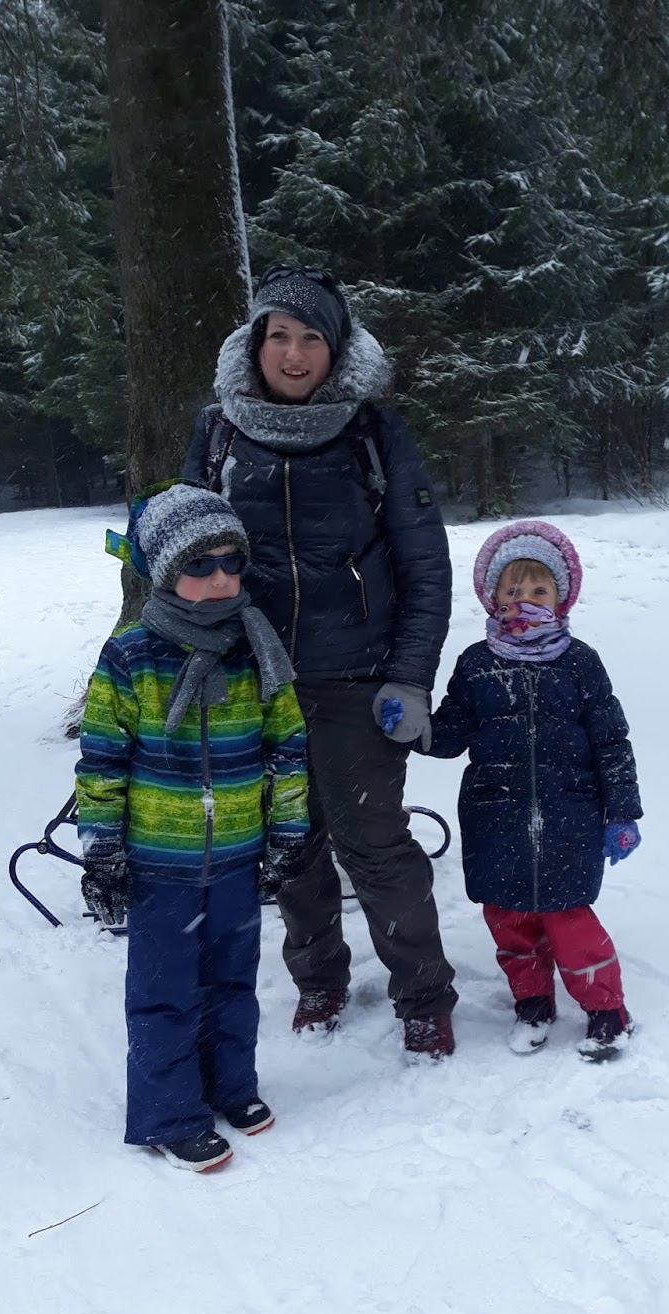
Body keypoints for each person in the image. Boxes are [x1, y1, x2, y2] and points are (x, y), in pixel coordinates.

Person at [183, 265, 457, 1060]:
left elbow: (424, 567)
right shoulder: (219, 432)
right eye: (280, 336)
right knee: (291, 846)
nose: (294, 354)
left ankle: (423, 995)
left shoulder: (372, 433)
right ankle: (317, 978)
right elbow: (182, 553)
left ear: (336, 351)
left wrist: (411, 676)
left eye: (312, 338)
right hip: (256, 681)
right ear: (256, 343)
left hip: (357, 678)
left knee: (375, 845)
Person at [75, 484, 309, 1171]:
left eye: (232, 562)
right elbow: (102, 759)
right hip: (160, 864)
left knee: (233, 983)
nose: (221, 579)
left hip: (237, 857)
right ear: (164, 570)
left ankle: (230, 1086)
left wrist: (288, 832)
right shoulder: (132, 656)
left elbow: (288, 746)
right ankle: (169, 1113)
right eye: (200, 565)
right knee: (165, 993)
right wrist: (103, 850)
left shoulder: (256, 649)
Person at [417, 520, 642, 1062]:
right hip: (496, 812)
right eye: (513, 589)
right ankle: (532, 1002)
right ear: (492, 596)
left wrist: (622, 812)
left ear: (561, 597)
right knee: (509, 918)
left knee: (569, 919)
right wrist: (412, 726)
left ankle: (607, 1009)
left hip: (571, 812)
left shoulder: (580, 661)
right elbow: (450, 735)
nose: (525, 600)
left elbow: (611, 740)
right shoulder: (477, 663)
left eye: (539, 589)